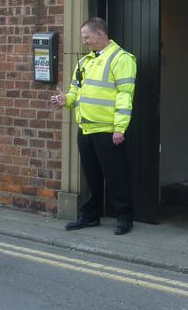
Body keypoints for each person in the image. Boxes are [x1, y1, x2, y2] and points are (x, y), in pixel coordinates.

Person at [50, 17, 137, 235]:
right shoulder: (84, 62)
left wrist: (119, 128)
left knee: (117, 177)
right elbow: (75, 92)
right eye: (83, 38)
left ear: (100, 34)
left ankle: (124, 218)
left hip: (108, 130)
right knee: (92, 177)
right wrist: (65, 100)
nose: (85, 41)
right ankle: (91, 217)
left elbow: (125, 96)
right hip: (86, 129)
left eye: (87, 37)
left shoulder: (121, 58)